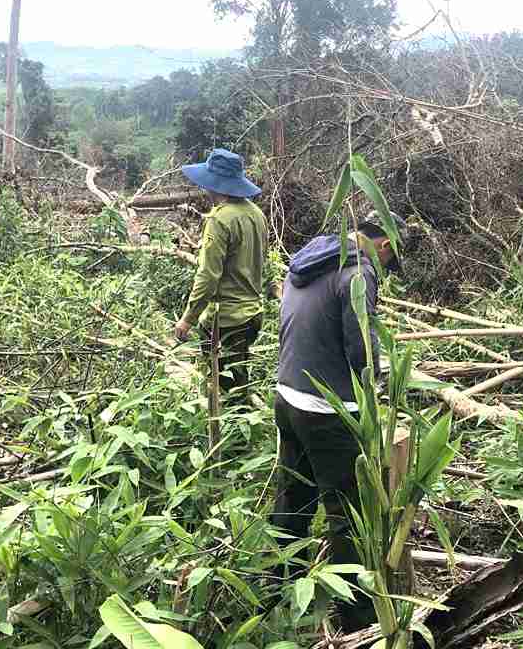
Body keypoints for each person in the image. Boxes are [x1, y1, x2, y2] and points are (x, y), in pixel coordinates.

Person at [272, 210, 405, 632]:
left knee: (295, 497)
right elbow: (361, 351)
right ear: (383, 246)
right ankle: (357, 619)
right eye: (389, 261)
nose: (384, 269)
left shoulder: (312, 258)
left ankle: (277, 586)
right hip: (327, 412)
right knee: (347, 513)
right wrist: (381, 391)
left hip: (288, 395)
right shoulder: (358, 273)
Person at [172, 148, 268, 406]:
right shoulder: (256, 214)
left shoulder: (220, 219)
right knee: (239, 383)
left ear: (214, 184)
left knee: (221, 392)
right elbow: (262, 264)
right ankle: (244, 438)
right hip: (252, 315)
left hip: (225, 320)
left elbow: (208, 275)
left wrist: (187, 320)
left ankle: (230, 443)